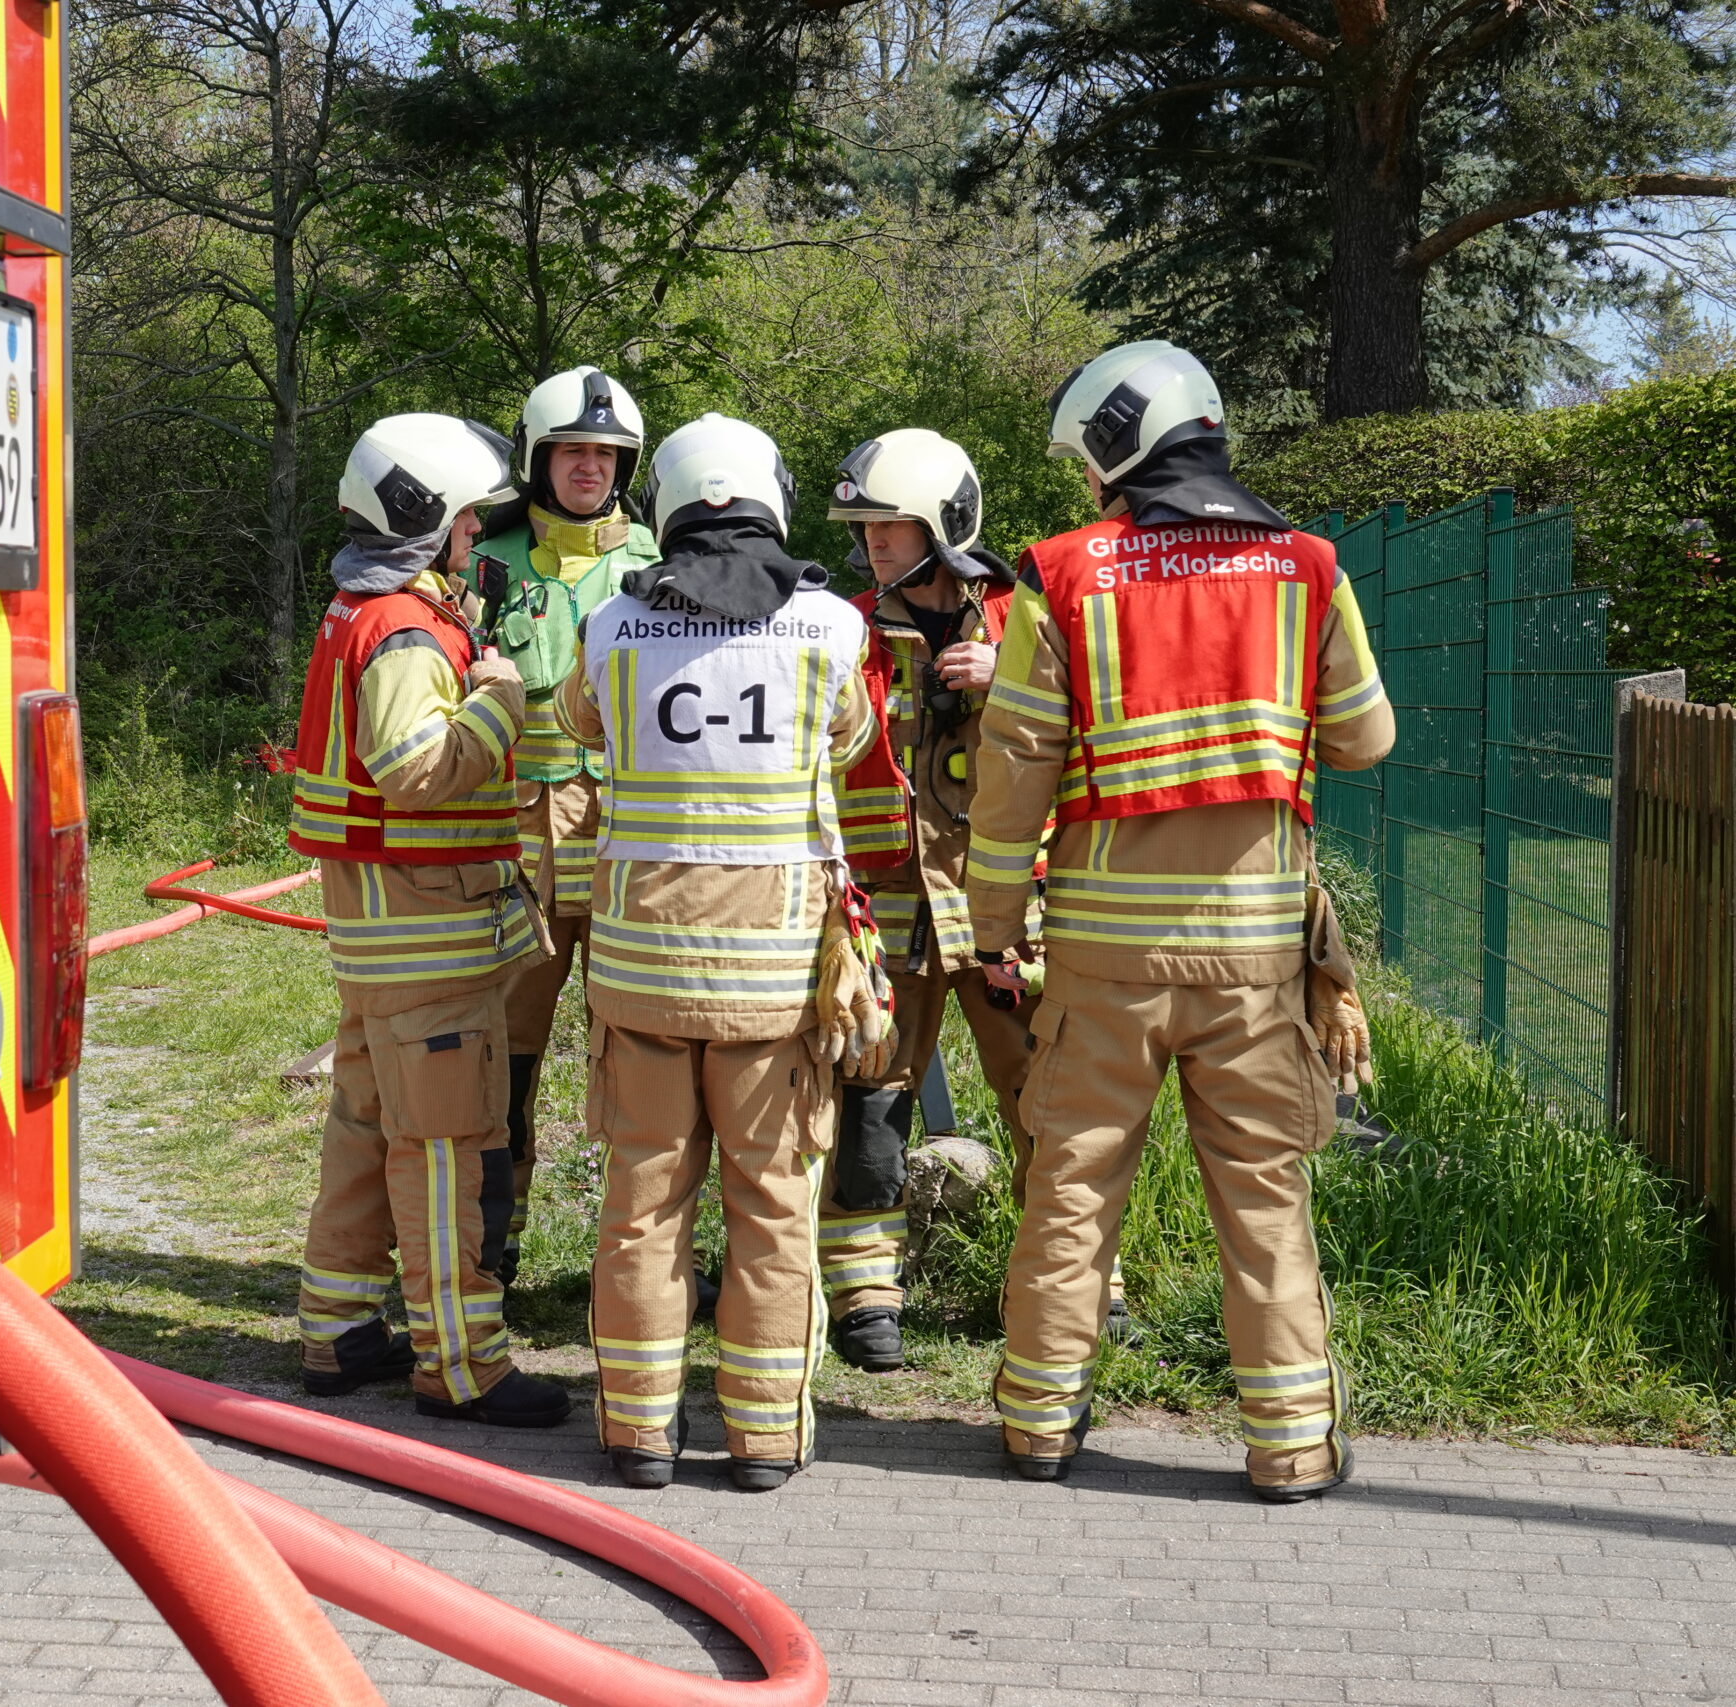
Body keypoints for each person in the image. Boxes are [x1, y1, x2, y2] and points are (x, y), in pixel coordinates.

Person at [965, 341, 1393, 1500]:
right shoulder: (1307, 567)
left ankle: (1038, 1427)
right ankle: (1291, 1444)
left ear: (1117, 450)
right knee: (1262, 1195)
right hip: (1255, 959)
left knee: (1071, 1182)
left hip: (1103, 958)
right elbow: (1364, 739)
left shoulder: (1063, 575)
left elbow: (1013, 769)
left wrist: (995, 920)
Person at [554, 414, 887, 1491]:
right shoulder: (832, 628)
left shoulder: (610, 626)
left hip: (639, 976)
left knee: (642, 1200)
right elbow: (850, 738)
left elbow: (580, 728)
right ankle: (761, 1438)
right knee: (773, 1204)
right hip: (778, 986)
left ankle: (637, 1434)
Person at [287, 412, 572, 1429]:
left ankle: (338, 1328)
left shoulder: (357, 612)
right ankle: (461, 1365)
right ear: (429, 521)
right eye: (464, 521)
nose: (473, 539)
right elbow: (413, 770)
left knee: (366, 1126)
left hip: (378, 936)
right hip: (428, 935)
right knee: (450, 1143)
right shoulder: (408, 632)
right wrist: (498, 700)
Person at [815, 428, 1045, 1373]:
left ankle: (1069, 1286)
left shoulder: (1025, 623)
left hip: (1002, 906)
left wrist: (1012, 683)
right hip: (890, 905)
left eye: (891, 523)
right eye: (865, 524)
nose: (872, 541)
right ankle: (866, 1290)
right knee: (871, 1097)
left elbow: (1093, 726)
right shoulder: (843, 628)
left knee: (1047, 1093)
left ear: (945, 527)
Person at [470, 367, 660, 1286]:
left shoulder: (659, 565)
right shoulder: (486, 558)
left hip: (628, 845)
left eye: (607, 454)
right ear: (540, 459)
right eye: (575, 452)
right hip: (520, 846)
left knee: (638, 1051)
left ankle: (641, 1261)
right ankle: (486, 1241)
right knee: (505, 1053)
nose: (591, 467)